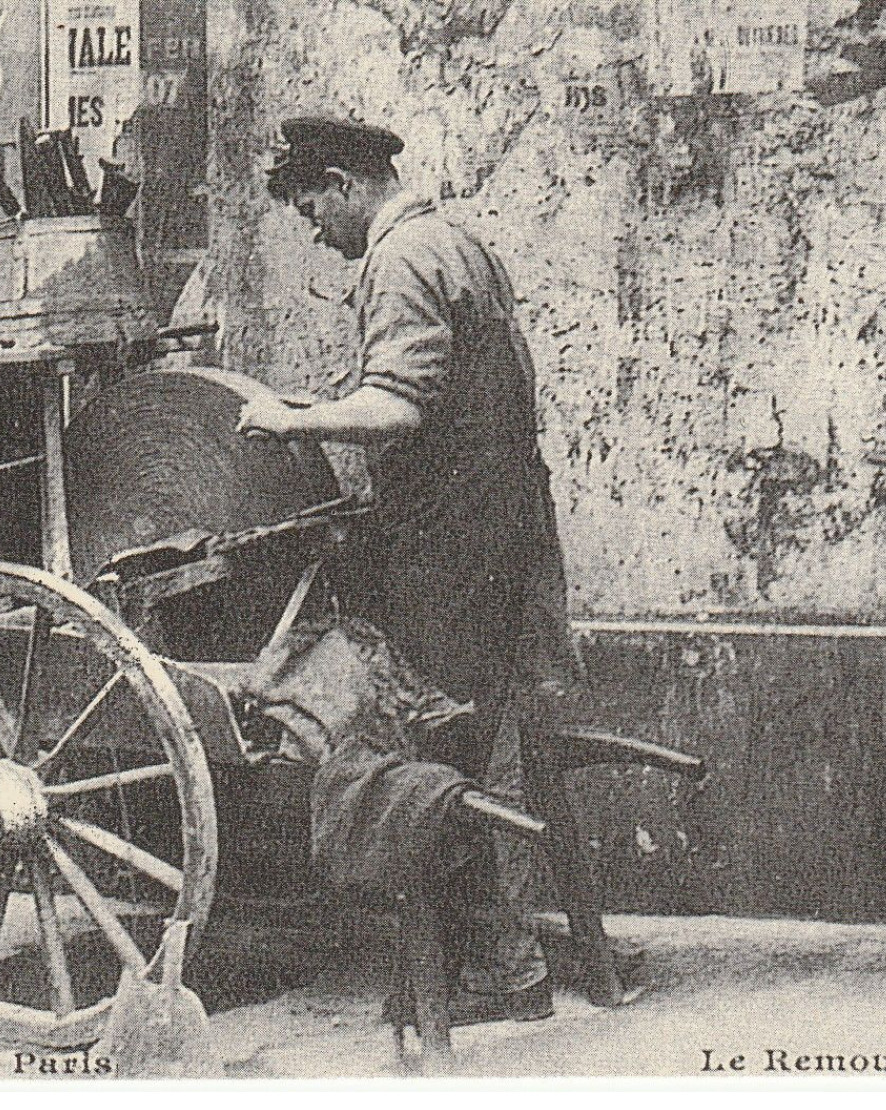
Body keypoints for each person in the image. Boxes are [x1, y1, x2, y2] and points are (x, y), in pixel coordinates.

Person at [237, 115, 571, 1025]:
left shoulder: (397, 259)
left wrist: (286, 421)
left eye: (312, 209)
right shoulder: (456, 241)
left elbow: (397, 409)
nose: (314, 231)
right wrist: (322, 405)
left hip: (451, 549)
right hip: (498, 534)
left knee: (439, 753)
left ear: (345, 183)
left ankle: (499, 973)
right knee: (484, 746)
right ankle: (504, 957)